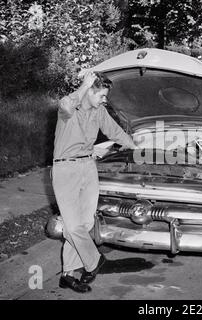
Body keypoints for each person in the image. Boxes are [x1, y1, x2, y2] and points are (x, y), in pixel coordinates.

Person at [52, 71, 137, 293]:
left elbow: (115, 132)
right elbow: (67, 105)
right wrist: (83, 85)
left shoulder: (99, 111)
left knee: (85, 224)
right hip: (66, 169)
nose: (104, 100)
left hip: (88, 167)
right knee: (72, 227)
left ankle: (68, 275)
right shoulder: (68, 107)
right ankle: (94, 261)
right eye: (101, 95)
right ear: (90, 90)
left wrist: (138, 149)